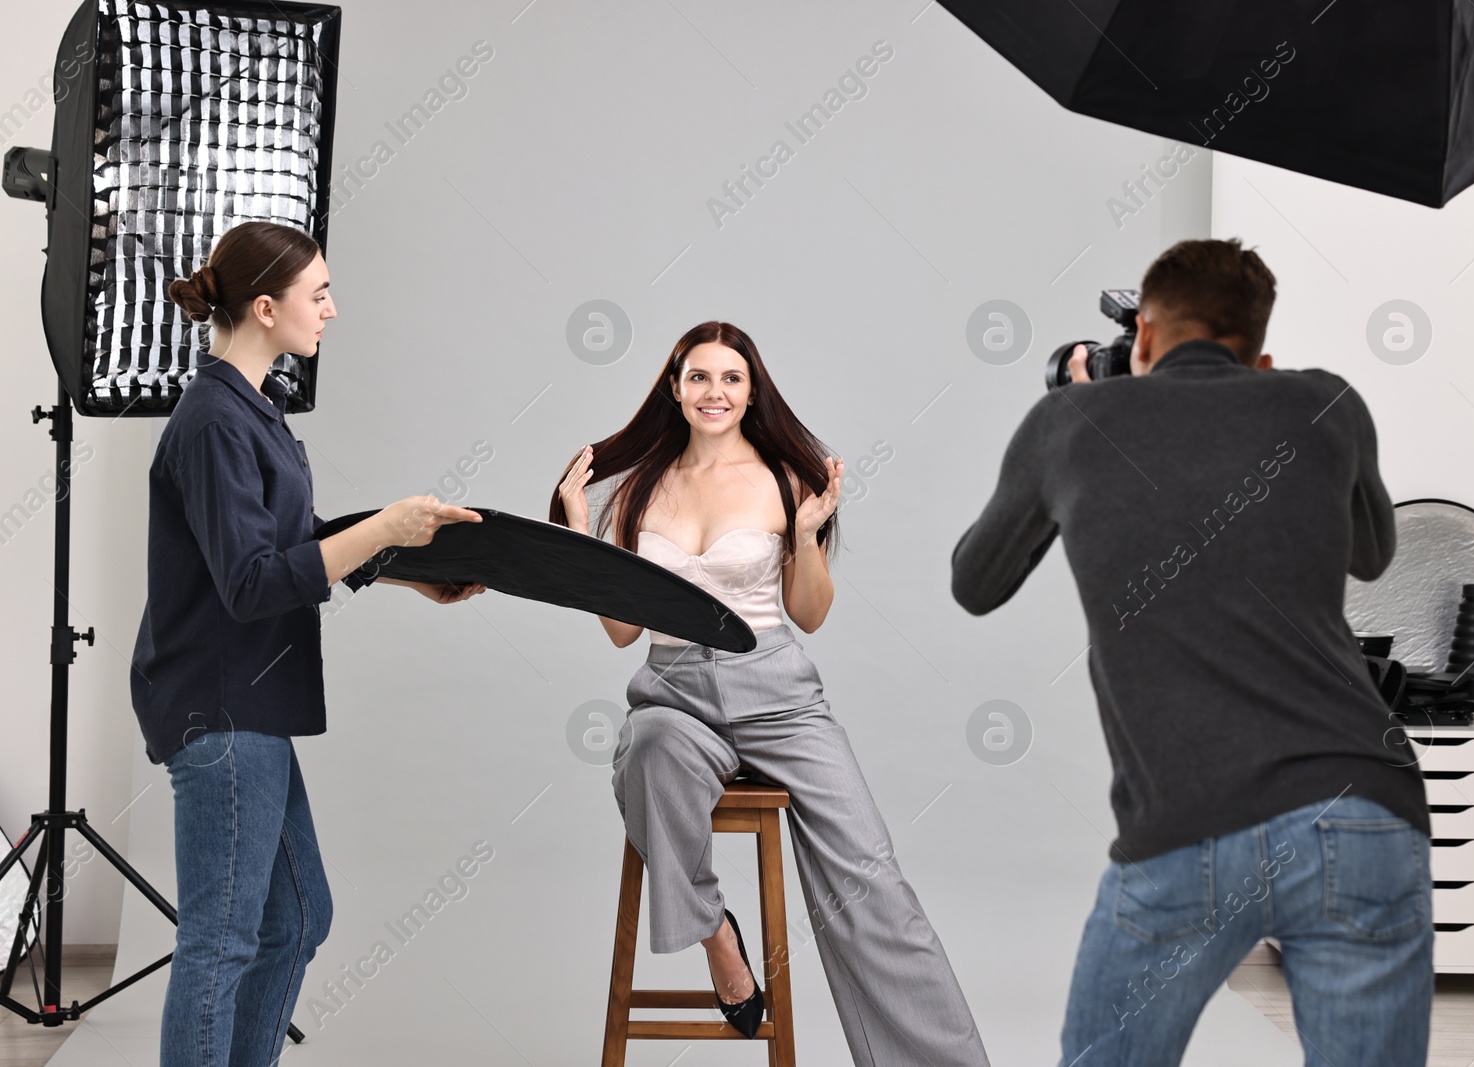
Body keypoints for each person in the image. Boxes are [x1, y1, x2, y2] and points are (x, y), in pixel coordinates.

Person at [951, 239, 1433, 1066]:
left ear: (1141, 336)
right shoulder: (1325, 403)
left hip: (1187, 826)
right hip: (1363, 807)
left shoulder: (1070, 422)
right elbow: (1374, 551)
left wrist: (1084, 419)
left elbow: (976, 580)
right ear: (1262, 354)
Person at [552, 321, 989, 1064]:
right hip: (674, 692)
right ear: (674, 386)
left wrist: (810, 534)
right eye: (699, 377)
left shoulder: (787, 479)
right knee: (649, 750)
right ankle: (718, 937)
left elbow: (811, 614)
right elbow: (622, 632)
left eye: (730, 378)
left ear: (752, 391)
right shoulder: (634, 490)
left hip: (779, 697)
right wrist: (582, 533)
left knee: (874, 884)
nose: (714, 392)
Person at [131, 220, 486, 1067]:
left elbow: (296, 539)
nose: (332, 308)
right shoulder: (215, 418)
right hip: (220, 707)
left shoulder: (251, 408)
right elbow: (253, 581)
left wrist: (403, 562)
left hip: (251, 704)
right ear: (264, 307)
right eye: (317, 293)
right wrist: (387, 527)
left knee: (296, 916)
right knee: (220, 939)